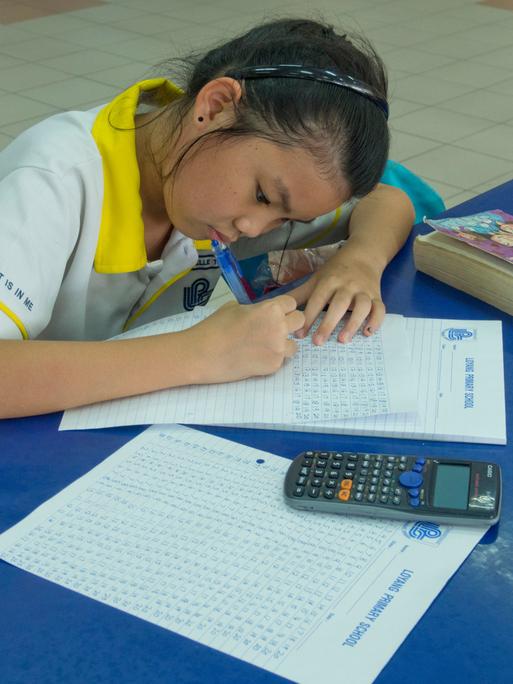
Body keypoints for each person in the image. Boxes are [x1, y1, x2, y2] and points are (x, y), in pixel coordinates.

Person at [0, 18, 414, 419]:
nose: (254, 229)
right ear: (215, 107)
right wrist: (197, 353)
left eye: (285, 219)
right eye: (263, 196)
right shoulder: (53, 179)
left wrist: (358, 262)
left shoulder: (206, 189)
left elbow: (388, 201)